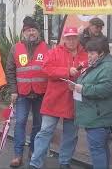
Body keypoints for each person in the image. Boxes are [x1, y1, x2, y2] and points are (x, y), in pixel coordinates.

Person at [29, 27, 88, 169]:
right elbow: (46, 69)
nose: (71, 40)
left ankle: (64, 162)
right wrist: (67, 71)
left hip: (74, 100)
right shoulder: (55, 52)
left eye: (74, 37)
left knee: (71, 135)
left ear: (78, 38)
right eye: (68, 38)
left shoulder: (86, 54)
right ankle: (35, 163)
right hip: (54, 99)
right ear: (64, 39)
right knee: (44, 132)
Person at [72, 37, 112, 169]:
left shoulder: (109, 67)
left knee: (97, 150)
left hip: (100, 117)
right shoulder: (98, 65)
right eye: (88, 52)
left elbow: (105, 89)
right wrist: (77, 86)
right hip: (96, 115)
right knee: (101, 148)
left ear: (102, 53)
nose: (89, 56)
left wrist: (83, 89)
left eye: (92, 53)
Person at [6, 16, 49, 167]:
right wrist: (13, 90)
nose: (31, 32)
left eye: (34, 30)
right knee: (20, 123)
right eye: (28, 30)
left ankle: (33, 151)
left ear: (38, 32)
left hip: (41, 93)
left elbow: (51, 70)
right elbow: (10, 70)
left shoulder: (46, 47)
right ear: (24, 32)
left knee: (38, 124)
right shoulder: (15, 48)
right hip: (22, 94)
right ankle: (18, 155)